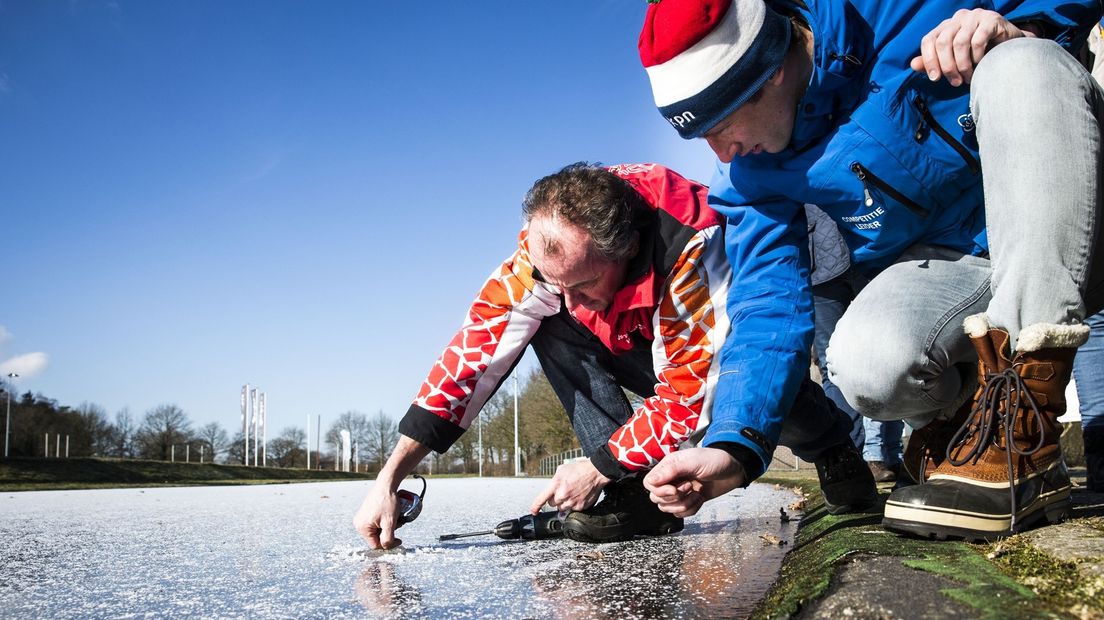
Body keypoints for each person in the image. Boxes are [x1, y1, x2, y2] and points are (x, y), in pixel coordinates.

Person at [636, 0, 1104, 541]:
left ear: (774, 69)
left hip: (1079, 223)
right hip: (973, 268)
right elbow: (767, 306)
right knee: (865, 364)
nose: (723, 150)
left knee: (1022, 63)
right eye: (700, 137)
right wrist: (733, 447)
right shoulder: (750, 176)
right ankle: (964, 431)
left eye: (722, 123)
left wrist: (1027, 24)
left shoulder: (892, 11)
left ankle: (1022, 425)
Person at [353, 162, 875, 548]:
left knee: (769, 390)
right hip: (631, 327)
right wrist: (389, 477)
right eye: (557, 283)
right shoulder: (544, 257)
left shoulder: (692, 241)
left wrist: (598, 467)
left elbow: (691, 395)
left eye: (583, 284)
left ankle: (833, 445)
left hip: (704, 338)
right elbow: (469, 359)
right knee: (541, 321)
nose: (571, 301)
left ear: (624, 247)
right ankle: (636, 496)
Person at [806, 204, 905, 483]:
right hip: (818, 265)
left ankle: (885, 453)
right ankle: (848, 457)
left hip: (872, 252)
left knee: (887, 353)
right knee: (831, 365)